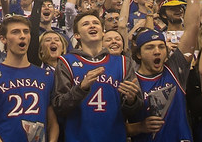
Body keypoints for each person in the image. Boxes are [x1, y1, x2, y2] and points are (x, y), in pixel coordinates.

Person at [126, 0, 202, 142]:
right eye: (150, 48)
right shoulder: (131, 80)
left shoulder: (175, 69)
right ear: (138, 54)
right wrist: (139, 127)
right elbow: (113, 127)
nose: (157, 51)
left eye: (161, 47)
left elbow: (192, 27)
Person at [52, 11, 143, 142]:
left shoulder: (123, 62)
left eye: (95, 23)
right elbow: (59, 107)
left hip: (114, 137)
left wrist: (131, 100)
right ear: (77, 35)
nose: (92, 26)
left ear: (103, 32)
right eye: (85, 24)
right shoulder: (66, 62)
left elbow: (135, 109)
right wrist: (81, 88)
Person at [0, 15, 59, 142]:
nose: (22, 36)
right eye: (15, 32)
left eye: (26, 32)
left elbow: (53, 123)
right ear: (3, 39)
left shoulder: (46, 76)